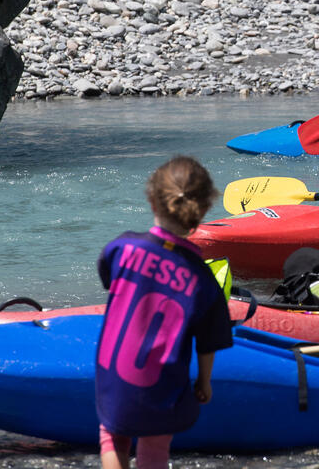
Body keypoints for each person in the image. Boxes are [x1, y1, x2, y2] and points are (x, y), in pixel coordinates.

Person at [95, 156, 233, 469]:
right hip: (164, 382)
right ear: (200, 214)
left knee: (113, 438)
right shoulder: (202, 278)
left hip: (114, 371)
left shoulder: (121, 248)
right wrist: (204, 382)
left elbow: (108, 277)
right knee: (155, 449)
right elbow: (209, 341)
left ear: (152, 202)